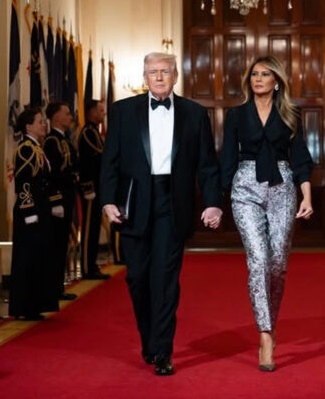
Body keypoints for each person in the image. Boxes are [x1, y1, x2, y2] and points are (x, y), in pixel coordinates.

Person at [101, 52, 222, 376]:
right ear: (144, 77)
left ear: (175, 76)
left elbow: (207, 165)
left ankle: (163, 351)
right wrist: (107, 201)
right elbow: (110, 160)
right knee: (138, 278)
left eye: (165, 72)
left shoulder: (194, 113)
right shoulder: (123, 111)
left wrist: (212, 202)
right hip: (133, 204)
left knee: (166, 280)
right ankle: (150, 341)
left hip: (173, 202)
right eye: (152, 72)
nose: (158, 77)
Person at [220, 56, 313, 372]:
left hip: (282, 187)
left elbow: (301, 156)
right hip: (245, 189)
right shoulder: (236, 115)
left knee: (277, 265)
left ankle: (270, 322)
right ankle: (265, 335)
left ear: (277, 82)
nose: (258, 78)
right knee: (258, 260)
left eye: (265, 74)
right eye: (254, 74)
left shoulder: (291, 113)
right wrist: (216, 201)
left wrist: (306, 196)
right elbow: (227, 157)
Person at [9, 107, 63, 320]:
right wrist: (29, 210)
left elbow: (46, 180)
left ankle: (35, 304)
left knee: (38, 257)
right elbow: (23, 183)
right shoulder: (25, 149)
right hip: (30, 212)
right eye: (40, 121)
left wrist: (54, 202)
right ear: (28, 126)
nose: (44, 125)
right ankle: (25, 307)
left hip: (41, 209)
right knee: (28, 258)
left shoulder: (36, 147)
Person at [44, 101, 79, 299]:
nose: (70, 117)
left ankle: (58, 286)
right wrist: (56, 201)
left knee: (62, 243)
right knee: (56, 244)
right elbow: (52, 174)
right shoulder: (52, 141)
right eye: (66, 113)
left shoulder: (63, 139)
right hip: (59, 200)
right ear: (56, 117)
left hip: (67, 197)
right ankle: (53, 288)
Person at [78, 100, 110, 280]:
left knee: (95, 228)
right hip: (91, 189)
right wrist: (88, 188)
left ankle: (92, 264)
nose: (103, 113)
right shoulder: (87, 133)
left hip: (98, 187)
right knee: (89, 229)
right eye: (100, 110)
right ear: (91, 112)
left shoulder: (95, 132)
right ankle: (87, 267)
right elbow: (87, 165)